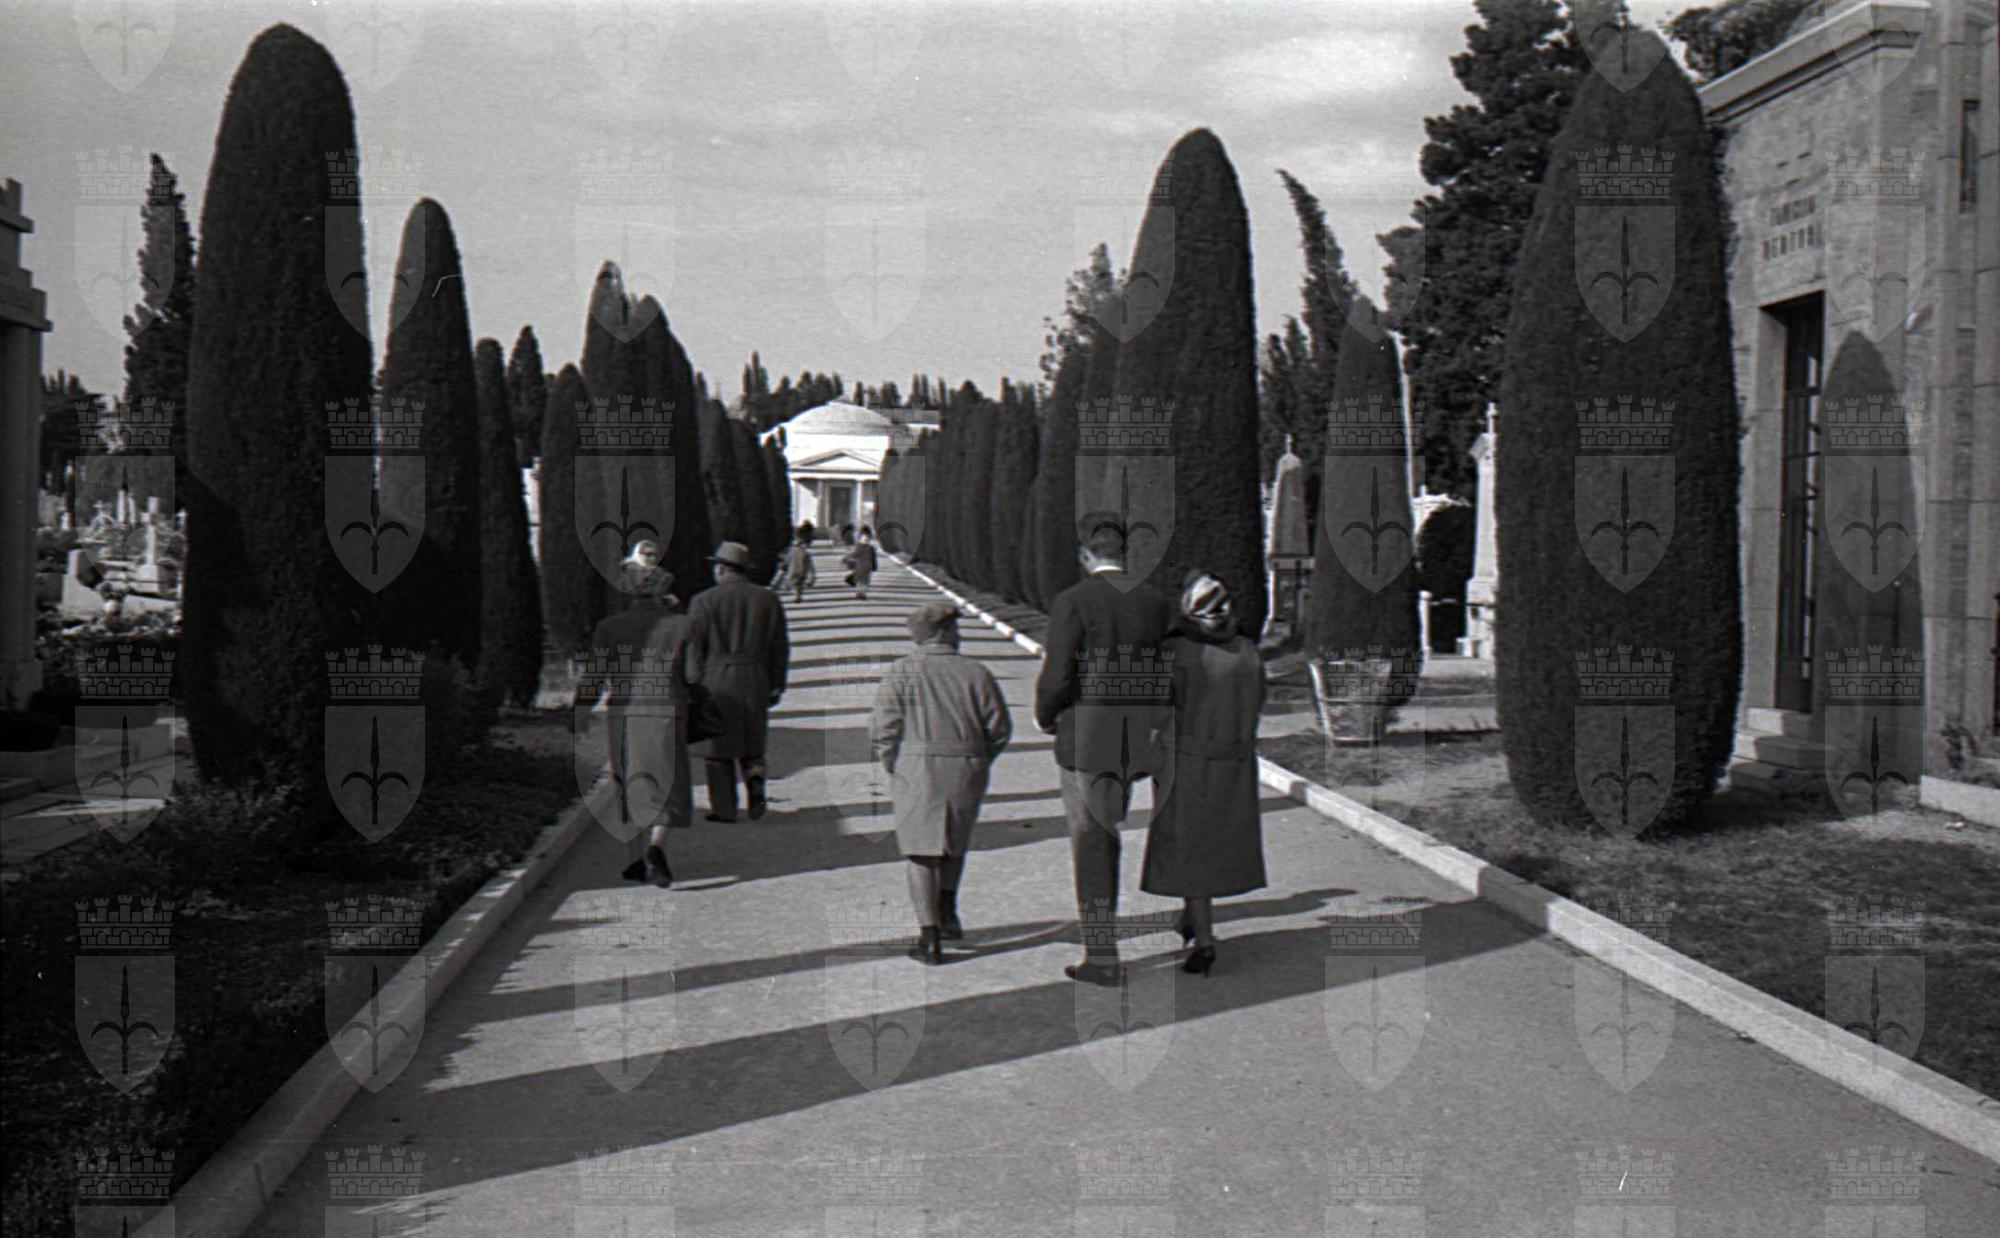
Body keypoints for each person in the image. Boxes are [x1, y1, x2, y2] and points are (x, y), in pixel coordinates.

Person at [1032, 514, 1172, 986]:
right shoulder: (1153, 601)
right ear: (1125, 554)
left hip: (1086, 738)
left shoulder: (1073, 601)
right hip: (1133, 737)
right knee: (1107, 832)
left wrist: (1045, 715)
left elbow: (1057, 676)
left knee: (1091, 841)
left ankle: (1101, 953)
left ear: (1085, 554)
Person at [870, 601, 1012, 965]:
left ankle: (929, 935)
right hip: (966, 766)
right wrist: (978, 759)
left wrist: (893, 763)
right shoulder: (977, 672)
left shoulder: (901, 672)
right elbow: (999, 728)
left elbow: (884, 728)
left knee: (921, 852)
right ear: (944, 632)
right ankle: (948, 910)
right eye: (955, 629)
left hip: (917, 767)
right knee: (954, 842)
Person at [1142, 570, 1267, 976]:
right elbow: (1258, 702)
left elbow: (1157, 708)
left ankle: (1206, 940)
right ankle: (1190, 917)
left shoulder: (1176, 651)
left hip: (1188, 761)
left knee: (1189, 848)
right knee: (1215, 846)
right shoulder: (1248, 650)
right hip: (1236, 761)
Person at [573, 565, 691, 887]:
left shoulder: (609, 627)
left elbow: (595, 676)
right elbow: (694, 673)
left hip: (623, 714)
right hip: (666, 710)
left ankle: (634, 859)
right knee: (669, 784)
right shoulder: (681, 625)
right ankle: (657, 845)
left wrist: (581, 709)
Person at [685, 540, 790, 822]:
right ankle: (755, 781)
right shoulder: (767, 599)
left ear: (721, 569)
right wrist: (777, 683)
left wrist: (693, 685)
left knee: (718, 748)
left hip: (716, 679)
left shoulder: (703, 601)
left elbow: (694, 648)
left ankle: (724, 808)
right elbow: (779, 646)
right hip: (755, 677)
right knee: (752, 740)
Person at [775, 534, 816, 604]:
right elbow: (810, 566)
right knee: (799, 585)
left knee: (794, 584)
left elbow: (785, 563)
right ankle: (797, 596)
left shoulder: (790, 552)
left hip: (792, 572)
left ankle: (795, 595)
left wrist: (782, 567)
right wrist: (812, 577)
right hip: (802, 572)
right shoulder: (805, 553)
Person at [843, 528, 878, 600]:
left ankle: (860, 593)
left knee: (860, 581)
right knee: (865, 581)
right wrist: (874, 566)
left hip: (860, 566)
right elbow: (874, 558)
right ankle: (862, 593)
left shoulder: (860, 546)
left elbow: (855, 554)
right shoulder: (871, 548)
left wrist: (846, 558)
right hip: (868, 567)